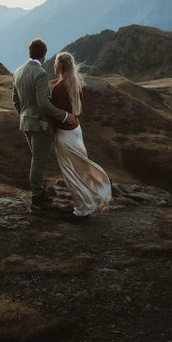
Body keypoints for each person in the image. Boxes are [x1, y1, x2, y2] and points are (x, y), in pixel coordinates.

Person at [12, 38, 76, 213]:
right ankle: (37, 198)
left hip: (25, 123)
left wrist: (25, 116)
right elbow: (43, 103)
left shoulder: (18, 71)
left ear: (30, 52)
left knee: (36, 160)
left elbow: (15, 100)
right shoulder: (40, 73)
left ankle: (39, 194)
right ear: (44, 55)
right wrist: (64, 116)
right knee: (38, 161)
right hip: (40, 125)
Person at [50, 51, 112, 222]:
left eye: (55, 63)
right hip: (76, 131)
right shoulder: (75, 84)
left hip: (65, 134)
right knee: (81, 169)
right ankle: (90, 201)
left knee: (71, 174)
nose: (54, 65)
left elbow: (54, 114)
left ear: (60, 66)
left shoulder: (59, 88)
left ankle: (83, 210)